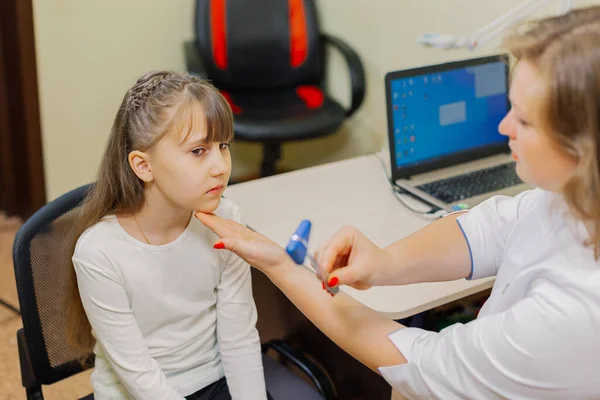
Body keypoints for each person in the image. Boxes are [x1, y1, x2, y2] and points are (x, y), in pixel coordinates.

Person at [195, 6, 600, 399]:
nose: (503, 126)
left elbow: (418, 365)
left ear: (583, 148)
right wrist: (386, 263)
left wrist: (281, 267)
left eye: (525, 121)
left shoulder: (576, 313)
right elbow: (490, 229)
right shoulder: (571, 195)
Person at [66, 71, 271, 400]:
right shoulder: (99, 252)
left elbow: (240, 337)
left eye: (223, 146)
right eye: (198, 151)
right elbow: (139, 376)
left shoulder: (227, 220)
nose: (221, 166)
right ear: (143, 166)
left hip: (213, 379)